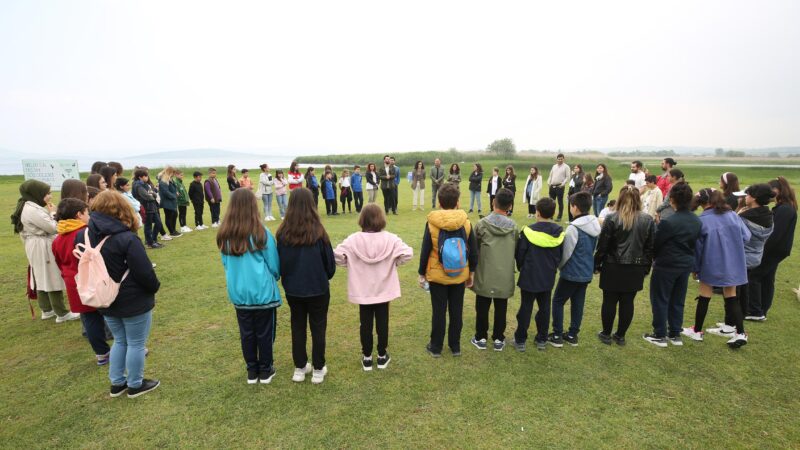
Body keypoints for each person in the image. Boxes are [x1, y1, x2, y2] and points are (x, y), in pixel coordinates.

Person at [75, 190, 161, 398]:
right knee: (136, 343)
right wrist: (153, 287)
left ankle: (117, 383)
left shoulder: (84, 234)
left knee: (121, 340)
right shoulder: (126, 238)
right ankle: (134, 384)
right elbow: (144, 272)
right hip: (131, 299)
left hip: (104, 298)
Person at [334, 204, 413, 370]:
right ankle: (382, 356)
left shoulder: (353, 239)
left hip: (363, 290)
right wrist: (394, 261)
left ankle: (367, 357)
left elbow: (336, 255)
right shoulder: (390, 238)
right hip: (384, 288)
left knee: (365, 323)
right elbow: (407, 253)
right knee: (383, 322)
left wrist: (349, 263)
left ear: (362, 219)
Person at [218, 189, 281, 384]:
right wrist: (275, 277)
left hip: (239, 292)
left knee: (246, 332)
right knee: (264, 331)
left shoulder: (225, 234)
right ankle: (265, 369)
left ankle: (252, 370)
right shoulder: (261, 232)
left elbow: (226, 263)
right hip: (262, 292)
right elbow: (274, 264)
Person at [276, 188, 336, 384]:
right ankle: (311, 368)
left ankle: (305, 367)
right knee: (316, 328)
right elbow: (330, 264)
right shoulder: (315, 232)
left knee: (298, 327)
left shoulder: (287, 233)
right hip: (315, 288)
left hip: (296, 289)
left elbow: (329, 265)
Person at [682, 188, 751, 348]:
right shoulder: (733, 215)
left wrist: (695, 269)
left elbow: (697, 250)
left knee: (705, 295)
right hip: (734, 262)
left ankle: (697, 331)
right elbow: (746, 236)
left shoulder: (702, 221)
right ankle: (740, 332)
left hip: (710, 262)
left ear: (701, 203)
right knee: (731, 296)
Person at [418, 183, 478, 357]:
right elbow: (473, 251)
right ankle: (455, 346)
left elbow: (425, 250)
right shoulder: (466, 222)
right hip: (460, 274)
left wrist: (422, 273)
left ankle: (436, 347)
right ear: (458, 201)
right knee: (456, 311)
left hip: (438, 276)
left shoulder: (431, 223)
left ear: (439, 201)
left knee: (439, 311)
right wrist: (471, 273)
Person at [706, 184, 772, 336]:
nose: (743, 198)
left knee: (731, 292)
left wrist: (738, 214)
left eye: (746, 195)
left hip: (740, 258)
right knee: (742, 291)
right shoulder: (768, 215)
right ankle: (735, 323)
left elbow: (731, 232)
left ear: (753, 198)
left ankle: (729, 327)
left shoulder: (745, 217)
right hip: (754, 257)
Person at [52, 198, 111, 364]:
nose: (89, 216)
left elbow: (59, 262)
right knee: (113, 314)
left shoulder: (58, 239)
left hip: (73, 283)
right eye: (87, 213)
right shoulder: (85, 233)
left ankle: (101, 353)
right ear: (79, 214)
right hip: (93, 279)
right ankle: (128, 347)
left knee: (89, 318)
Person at [594, 186, 655, 346]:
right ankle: (620, 335)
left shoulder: (613, 218)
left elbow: (602, 245)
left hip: (613, 266)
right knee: (628, 302)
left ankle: (607, 333)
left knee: (609, 301)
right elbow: (650, 248)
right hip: (634, 268)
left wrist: (597, 263)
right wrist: (646, 267)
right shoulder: (646, 220)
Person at [642, 183, 701, 347]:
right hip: (685, 264)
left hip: (667, 264)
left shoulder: (669, 222)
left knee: (660, 298)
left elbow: (657, 243)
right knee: (677, 298)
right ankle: (675, 333)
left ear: (672, 199)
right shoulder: (696, 220)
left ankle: (660, 334)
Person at [11, 180, 75, 322]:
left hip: (36, 244)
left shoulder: (29, 206)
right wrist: (53, 214)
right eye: (47, 194)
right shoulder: (32, 210)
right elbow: (53, 227)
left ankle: (47, 309)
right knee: (51, 275)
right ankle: (61, 313)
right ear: (37, 194)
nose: (50, 197)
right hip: (41, 245)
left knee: (40, 275)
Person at [511, 198, 564, 352]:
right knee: (545, 307)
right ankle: (541, 339)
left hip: (530, 275)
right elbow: (559, 255)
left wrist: (522, 268)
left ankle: (520, 340)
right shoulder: (558, 233)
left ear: (537, 212)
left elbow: (520, 254)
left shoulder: (528, 231)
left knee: (526, 308)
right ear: (553, 213)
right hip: (547, 276)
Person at [549, 192, 600, 347]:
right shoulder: (595, 224)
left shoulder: (573, 228)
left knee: (558, 301)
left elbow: (567, 252)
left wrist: (560, 266)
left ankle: (557, 335)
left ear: (575, 207)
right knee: (578, 302)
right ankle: (572, 334)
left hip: (571, 272)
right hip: (586, 271)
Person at [469, 188, 518, 351]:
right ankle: (498, 338)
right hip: (503, 275)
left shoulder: (482, 225)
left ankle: (481, 337)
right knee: (501, 306)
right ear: (509, 206)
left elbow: (474, 250)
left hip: (485, 273)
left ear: (493, 202)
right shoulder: (514, 227)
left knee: (482, 305)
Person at [746, 177, 797, 321]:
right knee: (767, 278)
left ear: (779, 191)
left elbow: (776, 233)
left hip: (774, 249)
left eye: (771, 189)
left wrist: (763, 248)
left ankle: (755, 311)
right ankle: (762, 309)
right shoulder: (784, 207)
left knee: (754, 275)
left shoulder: (785, 209)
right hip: (778, 249)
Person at [133, 168, 164, 248]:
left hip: (152, 207)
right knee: (148, 226)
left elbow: (152, 192)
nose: (147, 177)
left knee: (159, 223)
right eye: (145, 176)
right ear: (140, 177)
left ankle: (153, 240)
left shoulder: (145, 184)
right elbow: (147, 196)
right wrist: (154, 195)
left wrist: (153, 194)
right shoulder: (138, 185)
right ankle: (150, 243)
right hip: (146, 207)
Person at [158, 166, 182, 238]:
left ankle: (174, 230)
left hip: (172, 201)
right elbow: (165, 192)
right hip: (167, 202)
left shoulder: (170, 179)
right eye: (173, 173)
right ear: (169, 172)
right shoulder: (163, 180)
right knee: (169, 216)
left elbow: (172, 188)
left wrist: (176, 192)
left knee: (174, 215)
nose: (173, 174)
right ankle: (171, 231)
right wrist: (174, 195)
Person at [547, 154, 571, 221]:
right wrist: (548, 182)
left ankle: (559, 217)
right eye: (559, 159)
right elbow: (550, 175)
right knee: (551, 202)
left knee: (560, 202)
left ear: (563, 159)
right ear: (557, 159)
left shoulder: (566, 167)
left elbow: (567, 177)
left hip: (560, 187)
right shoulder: (554, 166)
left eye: (561, 159)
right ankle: (550, 216)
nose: (560, 160)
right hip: (552, 186)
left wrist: (563, 184)